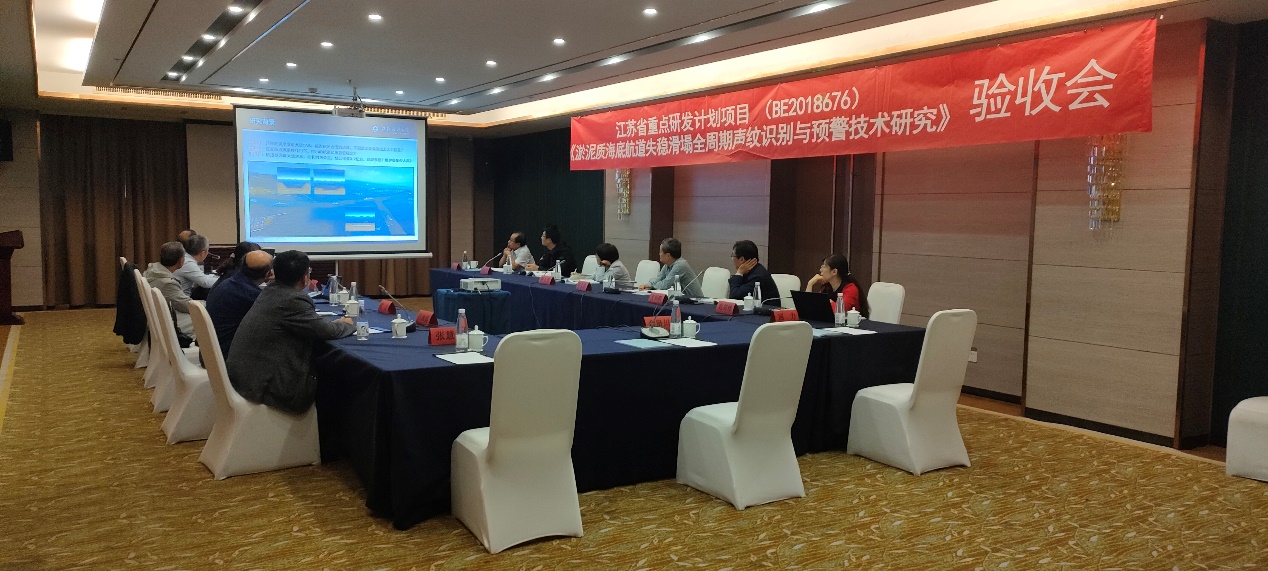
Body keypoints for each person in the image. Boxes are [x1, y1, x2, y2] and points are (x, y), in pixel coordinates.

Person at [227, 250, 356, 415]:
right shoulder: (293, 300)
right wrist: (347, 324)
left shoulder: (270, 291)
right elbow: (327, 331)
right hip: (266, 387)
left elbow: (311, 324)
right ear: (305, 278)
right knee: (335, 382)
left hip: (245, 378)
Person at [205, 249, 273, 358]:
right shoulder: (253, 296)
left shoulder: (229, 283)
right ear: (268, 273)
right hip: (228, 357)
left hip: (211, 353)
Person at [143, 241, 196, 339]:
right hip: (163, 320)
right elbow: (188, 306)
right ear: (181, 261)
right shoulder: (167, 283)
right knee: (204, 320)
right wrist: (206, 303)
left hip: (154, 316)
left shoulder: (151, 270)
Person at [639, 238, 703, 298]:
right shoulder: (667, 264)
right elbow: (658, 279)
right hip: (683, 299)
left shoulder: (680, 265)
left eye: (660, 252)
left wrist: (652, 286)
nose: (659, 254)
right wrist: (647, 285)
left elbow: (665, 285)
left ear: (668, 255)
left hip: (696, 300)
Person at [728, 239, 780, 306]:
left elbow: (734, 296)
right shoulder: (752, 271)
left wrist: (739, 273)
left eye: (733, 256)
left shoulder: (758, 275)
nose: (732, 259)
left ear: (742, 259)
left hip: (767, 311)